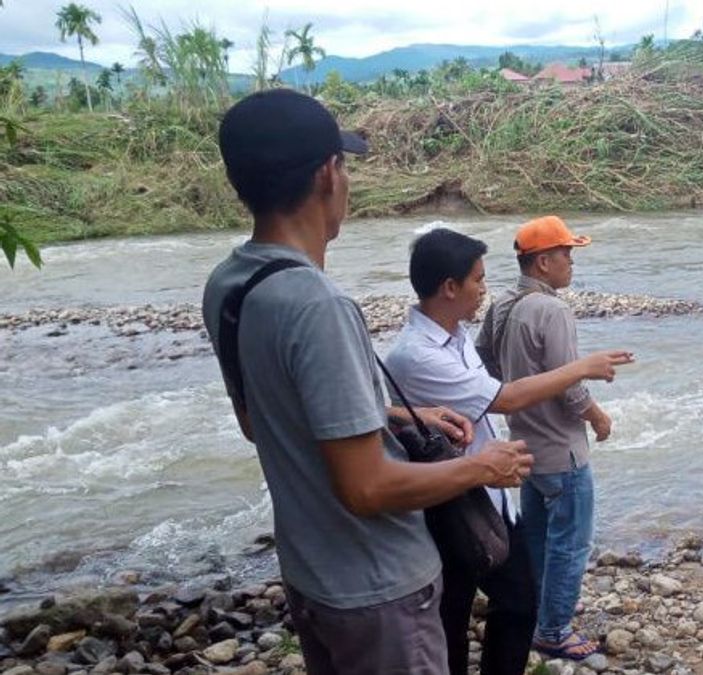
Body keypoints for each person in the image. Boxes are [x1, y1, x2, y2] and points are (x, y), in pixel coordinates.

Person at [201, 89, 532, 675]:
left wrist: (404, 416)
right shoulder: (318, 304)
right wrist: (487, 467)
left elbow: (262, 423)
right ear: (328, 174)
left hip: (312, 573)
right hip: (378, 588)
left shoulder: (230, 285)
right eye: (345, 164)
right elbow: (368, 488)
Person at [385, 228, 632, 674]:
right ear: (449, 287)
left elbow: (491, 378)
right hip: (455, 498)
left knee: (515, 596)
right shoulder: (418, 354)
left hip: (497, 480)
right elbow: (507, 396)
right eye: (477, 279)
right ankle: (547, 634)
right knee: (459, 611)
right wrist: (585, 374)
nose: (485, 288)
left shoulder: (472, 324)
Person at [475, 216, 617, 660]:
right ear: (541, 263)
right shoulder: (552, 310)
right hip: (562, 450)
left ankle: (532, 613)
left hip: (525, 446)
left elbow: (484, 366)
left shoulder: (502, 304)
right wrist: (598, 418)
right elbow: (571, 387)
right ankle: (553, 629)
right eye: (565, 254)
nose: (571, 262)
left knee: (537, 537)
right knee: (571, 543)